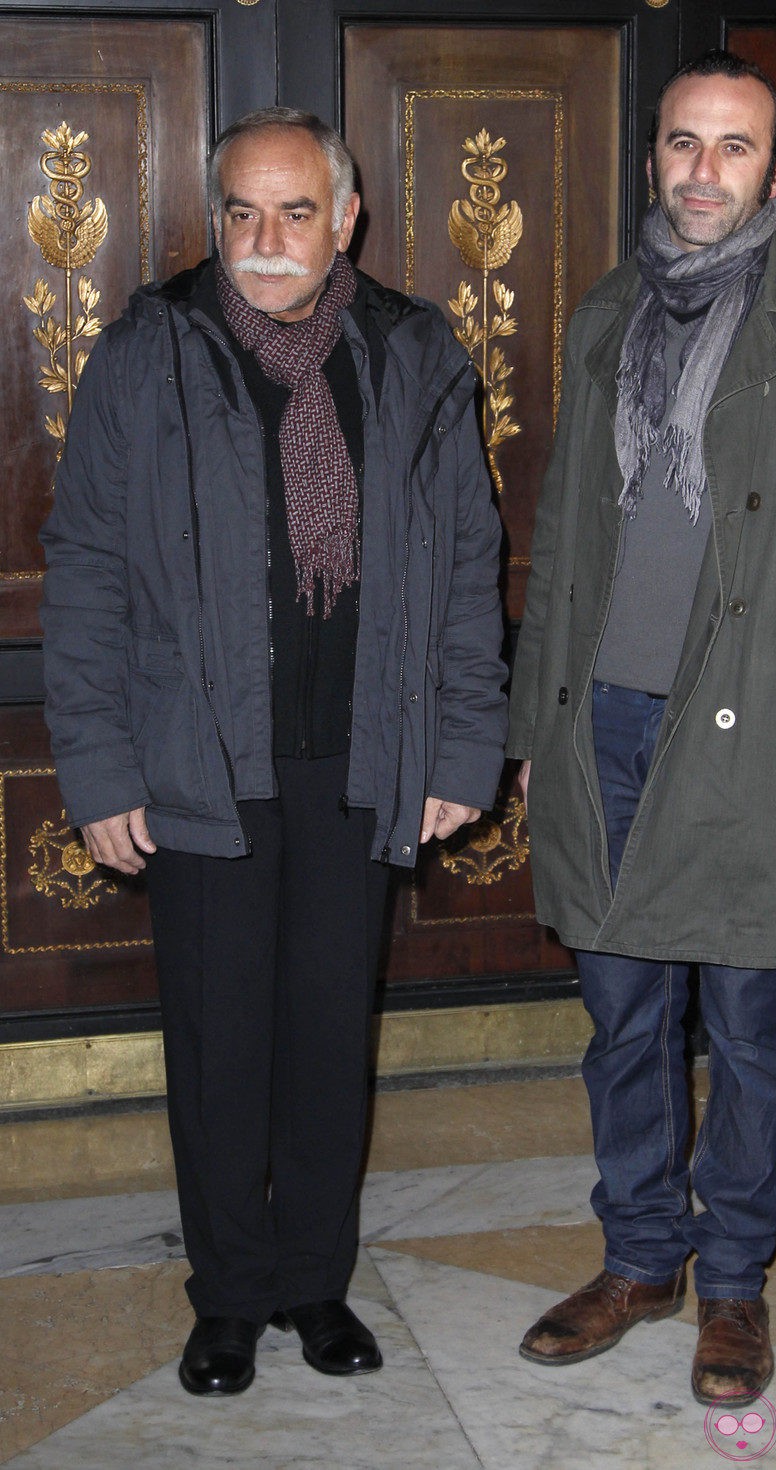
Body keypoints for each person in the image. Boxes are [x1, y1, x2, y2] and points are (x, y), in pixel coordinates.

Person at [41, 108, 507, 1397]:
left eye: (295, 212)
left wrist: (463, 744)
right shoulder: (149, 351)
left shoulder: (413, 353)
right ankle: (231, 1295)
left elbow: (469, 565)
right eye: (241, 211)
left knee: (323, 1035)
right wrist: (101, 769)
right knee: (220, 1041)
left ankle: (315, 1281)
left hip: (364, 758)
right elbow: (83, 572)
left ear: (344, 220)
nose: (265, 240)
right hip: (199, 766)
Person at [508, 50, 776, 1405]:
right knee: (624, 1023)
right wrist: (536, 722)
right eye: (683, 143)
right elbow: (565, 537)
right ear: (654, 158)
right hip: (605, 724)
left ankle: (732, 1280)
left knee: (747, 1028)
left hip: (757, 739)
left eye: (735, 148)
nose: (703, 170)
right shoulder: (605, 312)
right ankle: (640, 1253)